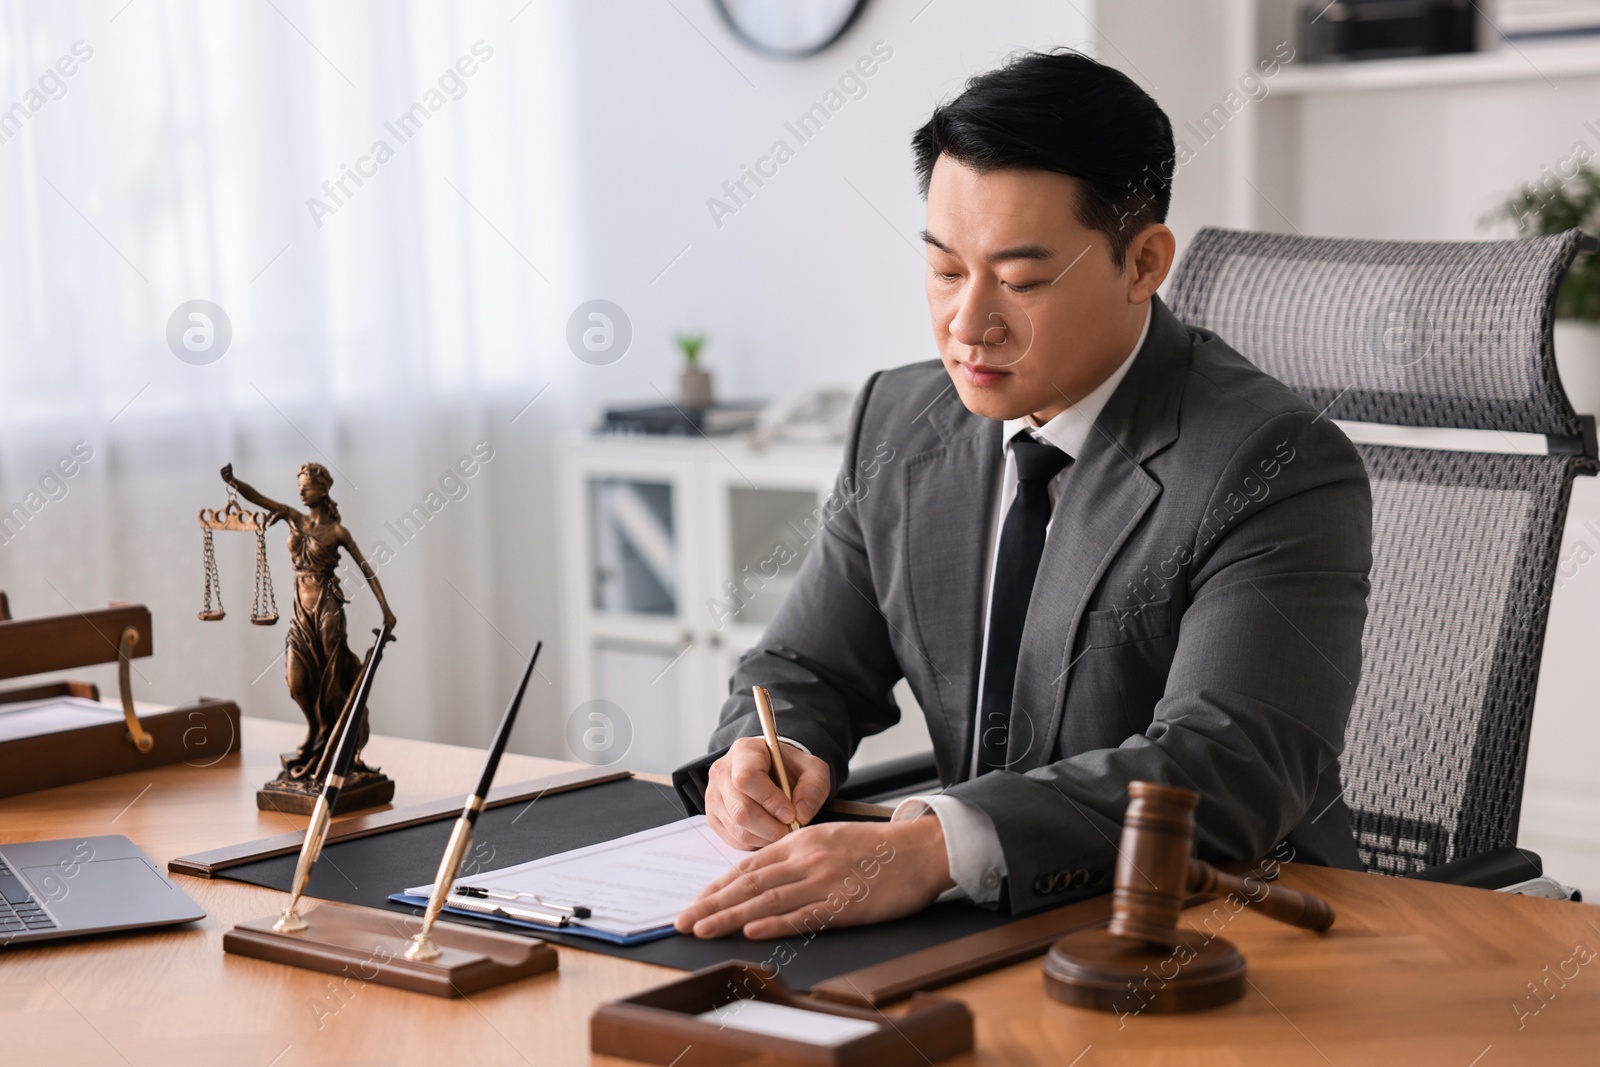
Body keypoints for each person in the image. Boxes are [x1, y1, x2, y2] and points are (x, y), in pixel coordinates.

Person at [672, 49, 1372, 941]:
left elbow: (1229, 767)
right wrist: (771, 754)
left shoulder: (1274, 461)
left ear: (1144, 262)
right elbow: (804, 668)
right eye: (945, 269)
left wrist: (934, 846)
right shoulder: (900, 419)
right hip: (980, 924)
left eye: (1023, 280)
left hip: (1222, 931)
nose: (969, 326)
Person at [222, 462, 398, 777]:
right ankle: (316, 729)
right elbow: (260, 499)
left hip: (328, 610)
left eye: (307, 485)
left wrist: (386, 609)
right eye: (300, 485)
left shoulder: (337, 532)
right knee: (297, 682)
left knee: (331, 681)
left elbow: (366, 570)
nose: (301, 490)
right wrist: (234, 483)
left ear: (324, 489)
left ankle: (341, 741)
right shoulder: (294, 518)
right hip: (300, 613)